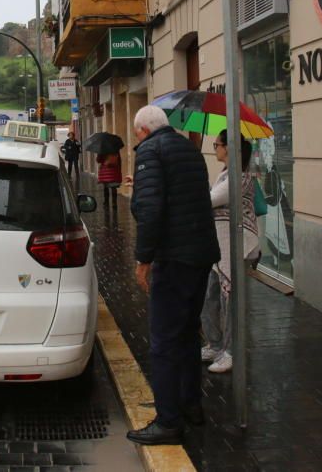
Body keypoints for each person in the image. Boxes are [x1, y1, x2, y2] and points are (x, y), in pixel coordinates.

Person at [125, 105, 220, 446]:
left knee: (164, 341)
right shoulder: (189, 150)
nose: (137, 139)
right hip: (200, 255)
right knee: (188, 336)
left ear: (143, 131)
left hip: (174, 256)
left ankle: (168, 422)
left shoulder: (150, 150)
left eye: (137, 134)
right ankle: (190, 405)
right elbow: (186, 197)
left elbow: (150, 210)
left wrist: (143, 259)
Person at [200, 129, 259, 374]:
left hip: (235, 249)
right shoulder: (225, 175)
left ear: (228, 148)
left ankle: (230, 351)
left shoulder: (238, 178)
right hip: (219, 249)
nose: (215, 149)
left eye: (217, 145)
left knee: (230, 303)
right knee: (208, 298)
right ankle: (214, 344)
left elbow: (208, 200)